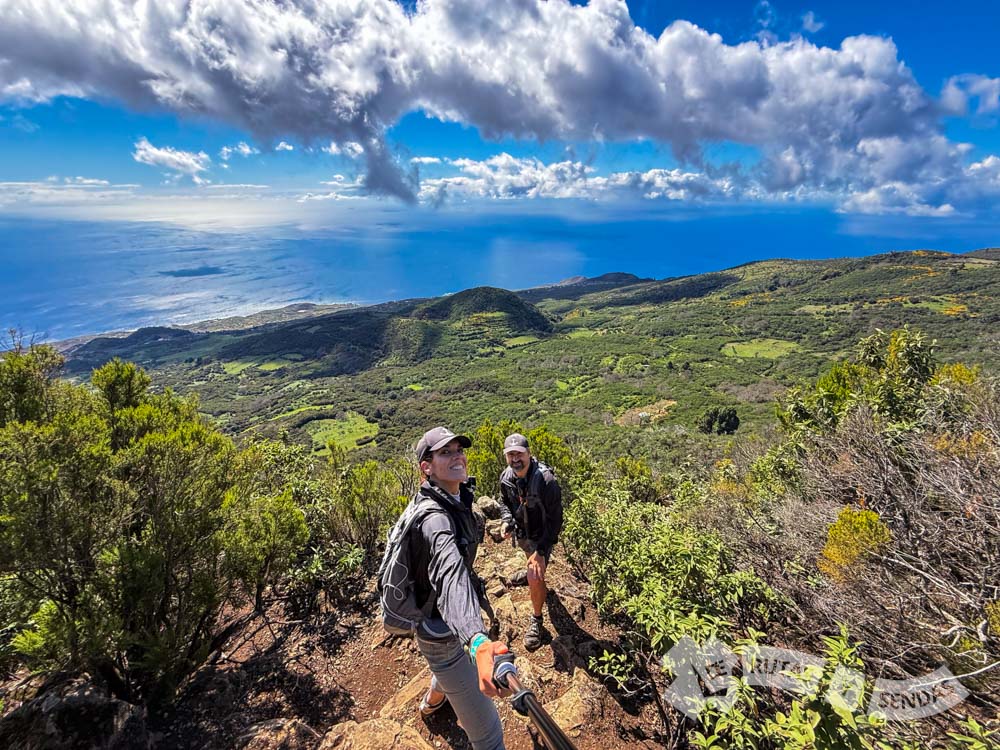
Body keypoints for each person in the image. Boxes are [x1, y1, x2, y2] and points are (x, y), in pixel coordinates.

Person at [407, 426, 510, 750]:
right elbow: (449, 573)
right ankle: (439, 697)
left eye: (458, 450)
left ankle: (431, 705)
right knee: (490, 737)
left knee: (452, 670)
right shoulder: (435, 519)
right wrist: (477, 640)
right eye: (445, 452)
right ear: (427, 466)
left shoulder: (454, 498)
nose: (457, 456)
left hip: (441, 620)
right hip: (441, 632)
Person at [497, 433, 563, 651]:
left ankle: (537, 621)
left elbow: (555, 521)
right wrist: (507, 521)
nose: (515, 458)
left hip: (543, 534)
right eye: (510, 454)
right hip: (524, 533)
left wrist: (542, 551)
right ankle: (533, 576)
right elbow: (504, 502)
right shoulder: (506, 478)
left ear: (529, 454)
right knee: (532, 567)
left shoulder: (546, 481)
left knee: (535, 575)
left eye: (520, 453)